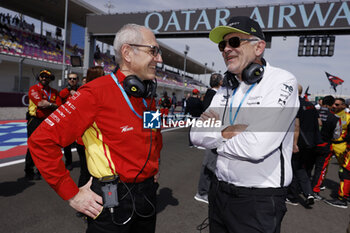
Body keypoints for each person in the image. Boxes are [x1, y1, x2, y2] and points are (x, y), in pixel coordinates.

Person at [28, 24, 163, 233]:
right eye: (153, 51)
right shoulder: (95, 92)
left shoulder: (148, 96)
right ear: (127, 52)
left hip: (147, 194)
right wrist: (71, 193)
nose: (159, 59)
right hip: (113, 199)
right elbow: (41, 141)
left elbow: (154, 136)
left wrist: (154, 167)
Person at [190, 16, 299, 233]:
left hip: (258, 201)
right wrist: (234, 131)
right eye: (223, 45)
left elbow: (256, 147)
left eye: (234, 42)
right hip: (219, 192)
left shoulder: (282, 81)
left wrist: (216, 138)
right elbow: (196, 134)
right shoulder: (226, 87)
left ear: (259, 47)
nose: (226, 50)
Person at [286, 84, 320, 207]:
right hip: (311, 142)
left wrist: (294, 143)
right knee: (301, 169)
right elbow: (319, 122)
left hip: (298, 141)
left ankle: (292, 196)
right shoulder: (311, 105)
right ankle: (308, 192)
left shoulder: (295, 104)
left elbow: (296, 125)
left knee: (294, 168)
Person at [24, 69, 61, 180]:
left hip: (49, 122)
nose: (44, 78)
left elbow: (59, 106)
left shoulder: (54, 91)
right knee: (33, 146)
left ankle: (41, 170)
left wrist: (48, 104)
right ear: (39, 78)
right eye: (42, 76)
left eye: (47, 76)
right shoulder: (34, 89)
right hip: (35, 120)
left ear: (50, 79)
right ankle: (29, 171)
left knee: (46, 147)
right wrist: (52, 105)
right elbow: (40, 103)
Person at [194, 73, 223, 204]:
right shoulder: (213, 95)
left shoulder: (211, 94)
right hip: (212, 133)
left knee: (212, 163)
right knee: (209, 163)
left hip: (213, 132)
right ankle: (202, 192)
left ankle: (205, 191)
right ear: (219, 82)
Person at [311, 95, 341, 200]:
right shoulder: (335, 118)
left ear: (322, 102)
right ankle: (314, 191)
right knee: (320, 169)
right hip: (324, 146)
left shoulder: (313, 112)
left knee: (306, 166)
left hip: (310, 144)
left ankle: (303, 188)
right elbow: (337, 135)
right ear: (332, 104)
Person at [324, 97, 350, 208]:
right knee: (325, 165)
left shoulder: (348, 117)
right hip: (331, 143)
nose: (334, 106)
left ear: (343, 106)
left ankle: (343, 198)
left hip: (342, 146)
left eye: (337, 104)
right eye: (334, 104)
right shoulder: (328, 114)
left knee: (344, 172)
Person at [59, 72, 81, 170]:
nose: (72, 80)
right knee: (67, 144)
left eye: (74, 79)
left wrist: (75, 95)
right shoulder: (64, 91)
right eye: (70, 78)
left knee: (81, 143)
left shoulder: (81, 90)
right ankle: (68, 162)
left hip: (79, 121)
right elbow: (59, 103)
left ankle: (84, 161)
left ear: (78, 80)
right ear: (68, 80)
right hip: (67, 121)